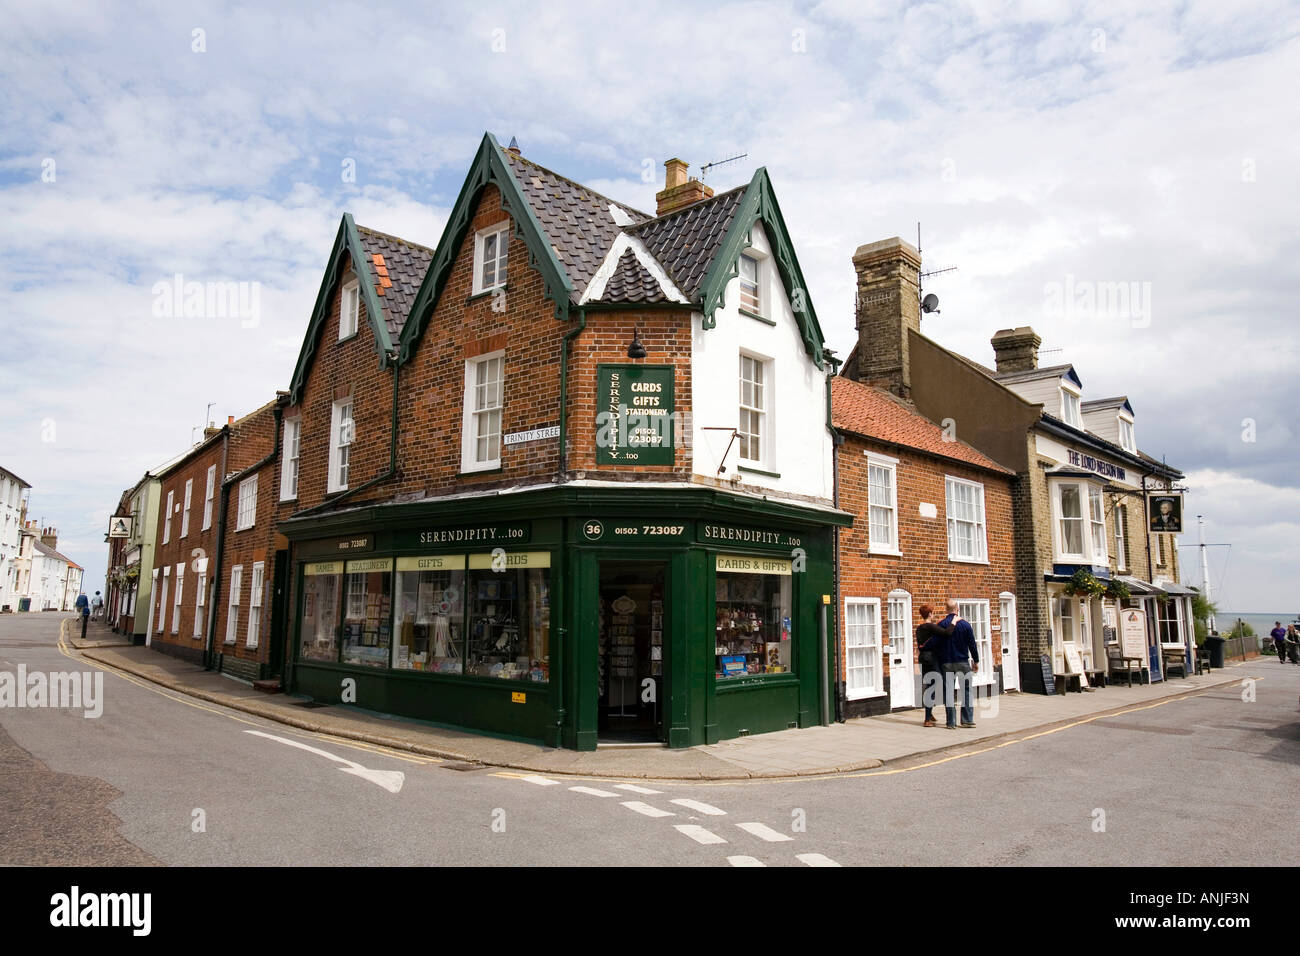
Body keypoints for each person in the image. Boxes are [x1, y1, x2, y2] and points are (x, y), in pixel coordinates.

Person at [939, 598, 980, 729]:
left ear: (946, 610)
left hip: (947, 663)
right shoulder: (966, 625)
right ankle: (967, 719)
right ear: (957, 609)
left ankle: (951, 722)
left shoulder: (941, 624)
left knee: (949, 692)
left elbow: (937, 645)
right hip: (963, 662)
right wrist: (976, 661)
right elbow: (972, 645)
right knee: (967, 691)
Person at [916, 605, 957, 727]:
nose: (933, 615)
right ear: (929, 614)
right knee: (932, 686)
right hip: (931, 658)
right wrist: (954, 621)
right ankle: (927, 719)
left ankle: (929, 713)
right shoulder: (930, 627)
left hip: (923, 658)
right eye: (932, 613)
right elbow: (947, 632)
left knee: (930, 685)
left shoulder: (919, 628)